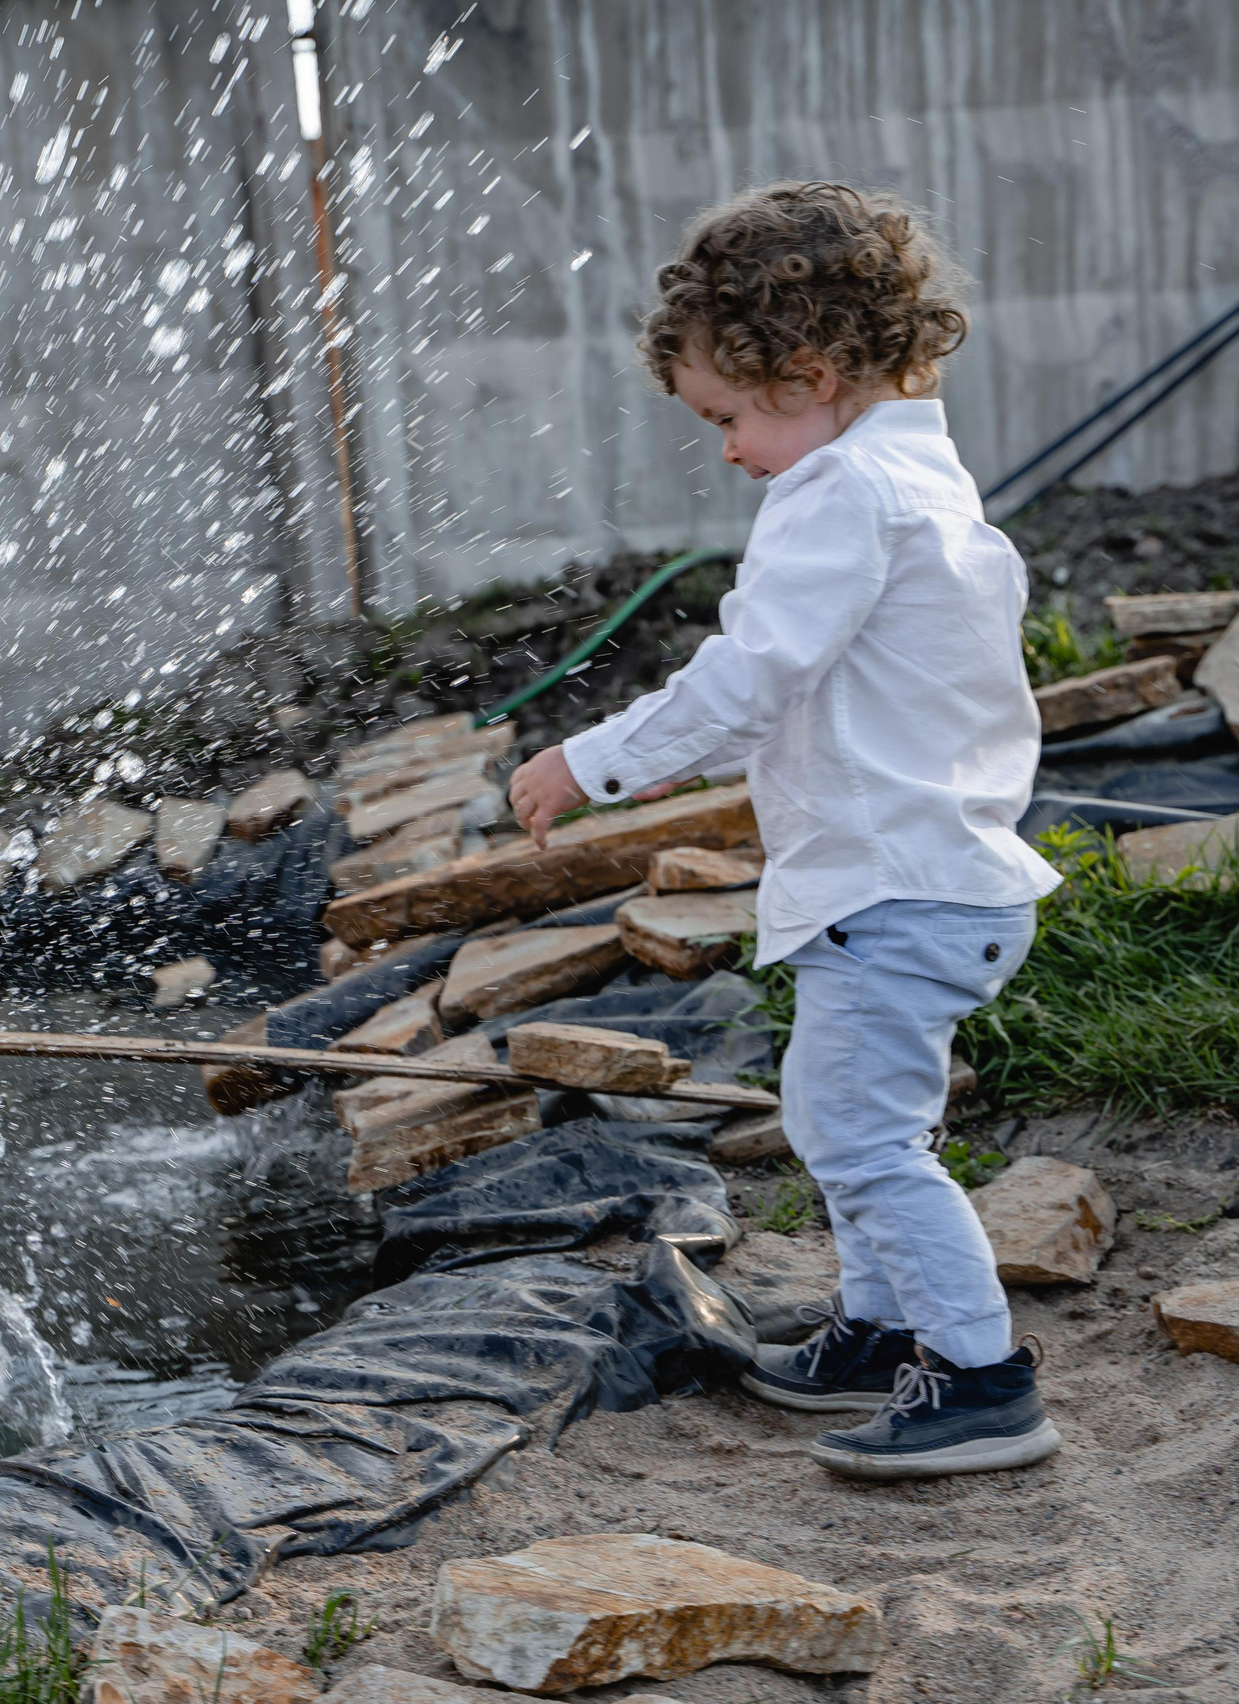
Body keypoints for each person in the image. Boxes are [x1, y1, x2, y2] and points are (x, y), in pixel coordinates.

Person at [506, 181, 1065, 1480]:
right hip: (925, 880)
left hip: (895, 892)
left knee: (856, 1134)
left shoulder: (838, 498)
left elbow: (746, 679)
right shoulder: (916, 472)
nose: (728, 450)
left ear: (809, 374)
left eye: (730, 415)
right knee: (864, 1121)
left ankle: (981, 1378)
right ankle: (878, 1332)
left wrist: (589, 761)